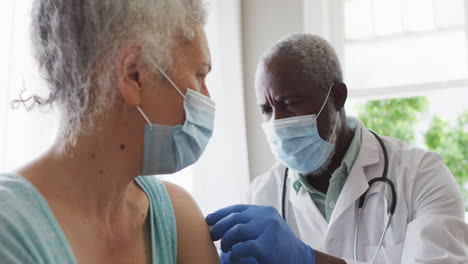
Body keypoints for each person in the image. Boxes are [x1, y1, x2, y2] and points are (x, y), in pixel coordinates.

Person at [207, 34, 467, 263]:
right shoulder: (261, 196)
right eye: (266, 110)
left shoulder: (421, 177)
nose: (277, 123)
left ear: (338, 97)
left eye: (290, 103)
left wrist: (309, 260)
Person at [0, 0, 220, 263]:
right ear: (133, 75)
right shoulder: (9, 230)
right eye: (200, 75)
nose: (207, 97)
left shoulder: (176, 215)